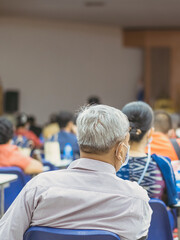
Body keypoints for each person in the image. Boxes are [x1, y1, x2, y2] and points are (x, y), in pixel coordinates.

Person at [0, 104, 152, 240]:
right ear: (120, 149)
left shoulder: (39, 188)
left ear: (80, 141)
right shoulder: (135, 199)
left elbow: (6, 235)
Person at [117, 102, 177, 207]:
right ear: (150, 132)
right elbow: (172, 202)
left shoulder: (112, 164)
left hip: (117, 223)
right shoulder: (163, 165)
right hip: (153, 223)